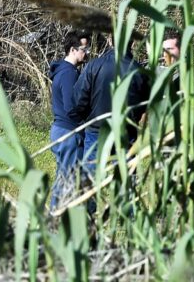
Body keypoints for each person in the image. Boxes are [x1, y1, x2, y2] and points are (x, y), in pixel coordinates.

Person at [68, 35, 150, 177]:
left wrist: (84, 119)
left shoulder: (94, 65)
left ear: (110, 41)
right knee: (126, 180)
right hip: (126, 131)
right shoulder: (139, 70)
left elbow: (78, 99)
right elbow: (145, 104)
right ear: (131, 43)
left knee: (90, 180)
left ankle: (89, 198)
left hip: (97, 130)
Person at [47, 31, 90, 208]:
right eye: (84, 49)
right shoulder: (68, 74)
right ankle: (54, 219)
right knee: (66, 179)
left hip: (61, 130)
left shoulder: (66, 71)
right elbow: (71, 107)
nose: (87, 52)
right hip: (68, 132)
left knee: (67, 177)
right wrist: (86, 121)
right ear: (73, 50)